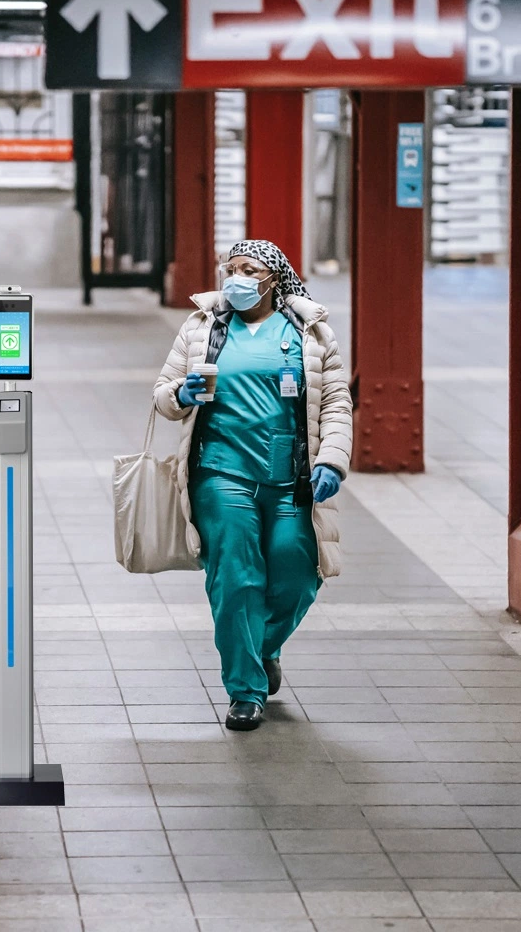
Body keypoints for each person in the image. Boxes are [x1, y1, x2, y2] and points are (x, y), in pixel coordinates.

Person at [154, 239, 353, 731]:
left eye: (250, 269)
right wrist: (181, 393)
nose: (238, 277)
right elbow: (163, 394)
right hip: (221, 474)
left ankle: (261, 647)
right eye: (232, 267)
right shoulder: (203, 327)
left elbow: (335, 403)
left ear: (273, 278)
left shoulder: (310, 332)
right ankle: (245, 690)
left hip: (290, 475)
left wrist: (332, 458)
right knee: (237, 578)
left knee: (297, 570)